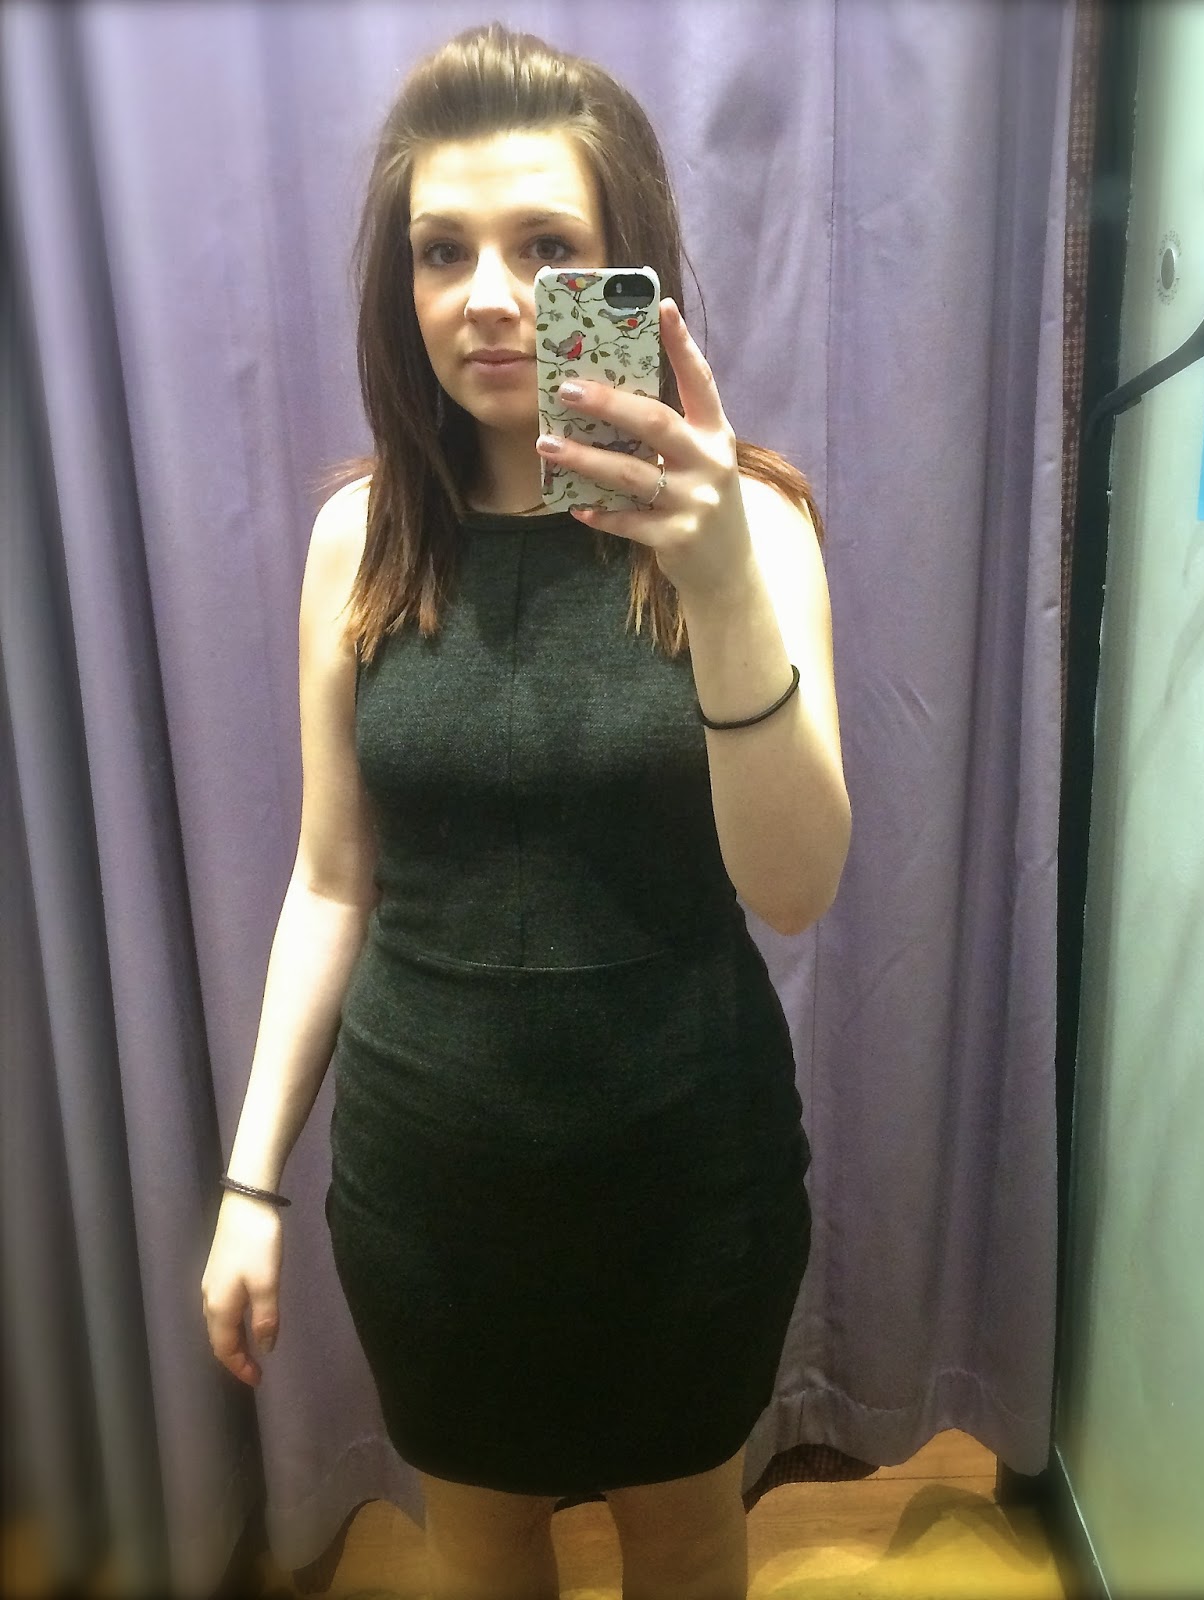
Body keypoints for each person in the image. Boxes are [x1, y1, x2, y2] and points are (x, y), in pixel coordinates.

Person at [201, 21, 850, 1600]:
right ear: (401, 283)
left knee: (686, 1545)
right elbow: (331, 882)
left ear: (626, 269)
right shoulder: (359, 540)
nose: (488, 293)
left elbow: (793, 887)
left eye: (545, 246)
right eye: (444, 250)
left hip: (685, 1182)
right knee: (482, 1551)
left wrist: (716, 585)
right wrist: (249, 1181)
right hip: (431, 1198)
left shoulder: (752, 528)